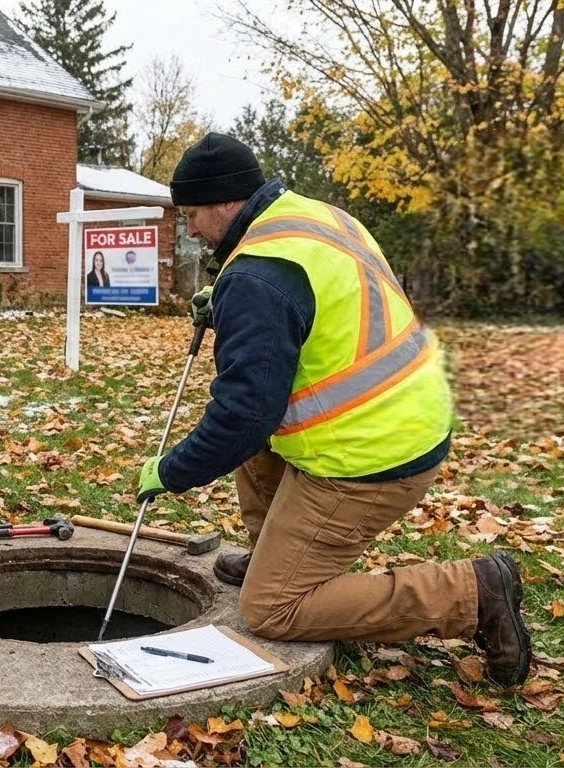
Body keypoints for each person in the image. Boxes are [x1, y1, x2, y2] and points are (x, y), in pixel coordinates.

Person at [134, 133, 530, 686]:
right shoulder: (312, 218)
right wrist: (231, 305)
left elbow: (242, 416)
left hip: (370, 450)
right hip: (404, 410)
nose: (191, 229)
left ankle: (470, 592)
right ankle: (275, 554)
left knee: (270, 609)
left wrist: (172, 471)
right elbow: (312, 313)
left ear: (226, 202)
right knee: (256, 452)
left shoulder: (255, 276)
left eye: (193, 214)